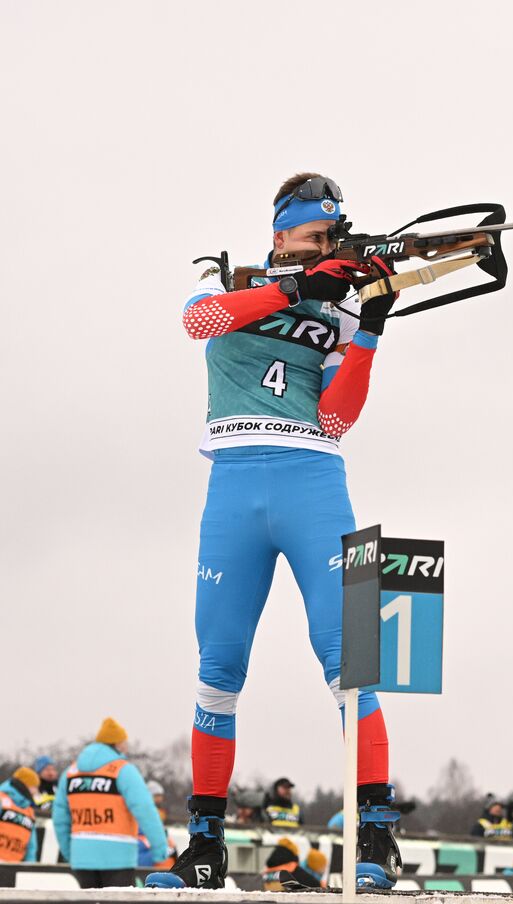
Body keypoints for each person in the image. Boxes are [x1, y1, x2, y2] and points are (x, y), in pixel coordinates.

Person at [148, 173, 402, 890]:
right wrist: (300, 288)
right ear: (281, 235)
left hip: (316, 482)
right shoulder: (225, 288)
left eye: (333, 236)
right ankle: (203, 844)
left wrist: (370, 330)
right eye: (313, 235)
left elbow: (337, 419)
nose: (324, 246)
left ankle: (377, 837)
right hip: (232, 486)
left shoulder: (340, 310)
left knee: (351, 659)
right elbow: (198, 324)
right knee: (217, 669)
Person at [52, 719, 167, 889]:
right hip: (118, 858)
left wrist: (70, 852)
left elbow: (60, 816)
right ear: (118, 744)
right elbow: (145, 810)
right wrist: (160, 850)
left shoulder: (71, 773)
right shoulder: (123, 771)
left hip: (82, 858)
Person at [0, 767, 41, 863]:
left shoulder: (29, 811)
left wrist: (29, 867)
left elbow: (31, 845)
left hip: (14, 866)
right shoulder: (2, 800)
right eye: (34, 786)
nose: (36, 791)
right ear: (26, 785)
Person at [137, 780, 176, 870]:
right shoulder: (141, 812)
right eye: (156, 796)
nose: (160, 799)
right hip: (145, 852)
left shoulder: (159, 811)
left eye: (160, 796)